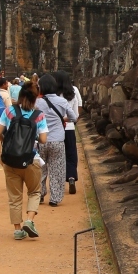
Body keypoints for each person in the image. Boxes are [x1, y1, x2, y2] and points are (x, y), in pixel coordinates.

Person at [0, 82, 48, 239]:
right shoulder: (38, 115)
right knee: (34, 191)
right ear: (35, 98)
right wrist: (33, 136)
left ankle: (17, 229)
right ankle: (30, 220)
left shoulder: (9, 111)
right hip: (31, 159)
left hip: (10, 160)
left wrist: (8, 142)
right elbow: (43, 139)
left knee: (14, 196)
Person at [36, 72, 77, 207]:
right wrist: (62, 119)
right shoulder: (62, 101)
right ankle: (55, 198)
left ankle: (40, 194)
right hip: (58, 140)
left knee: (40, 168)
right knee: (57, 169)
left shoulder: (37, 102)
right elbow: (73, 117)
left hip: (41, 140)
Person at [56, 70, 82, 195]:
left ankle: (58, 182)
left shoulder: (53, 94)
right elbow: (76, 114)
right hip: (70, 128)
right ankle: (71, 177)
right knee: (71, 154)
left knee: (57, 156)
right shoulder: (74, 91)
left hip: (55, 129)